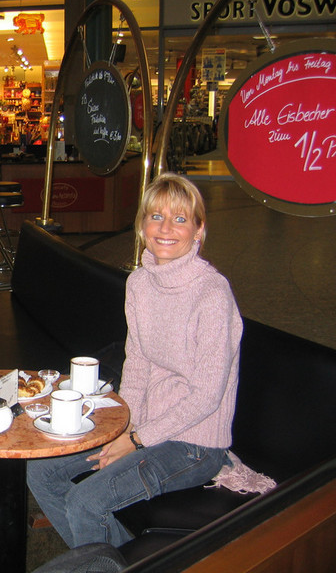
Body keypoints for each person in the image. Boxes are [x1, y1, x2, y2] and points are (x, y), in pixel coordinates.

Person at [27, 173, 244, 549]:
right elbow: (139, 363)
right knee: (41, 471)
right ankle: (120, 557)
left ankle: (105, 561)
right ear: (142, 226)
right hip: (144, 425)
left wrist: (137, 440)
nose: (165, 228)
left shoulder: (212, 294)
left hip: (194, 443)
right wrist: (122, 426)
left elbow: (208, 396)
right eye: (156, 216)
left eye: (179, 219)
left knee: (85, 502)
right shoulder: (141, 283)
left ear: (198, 230)